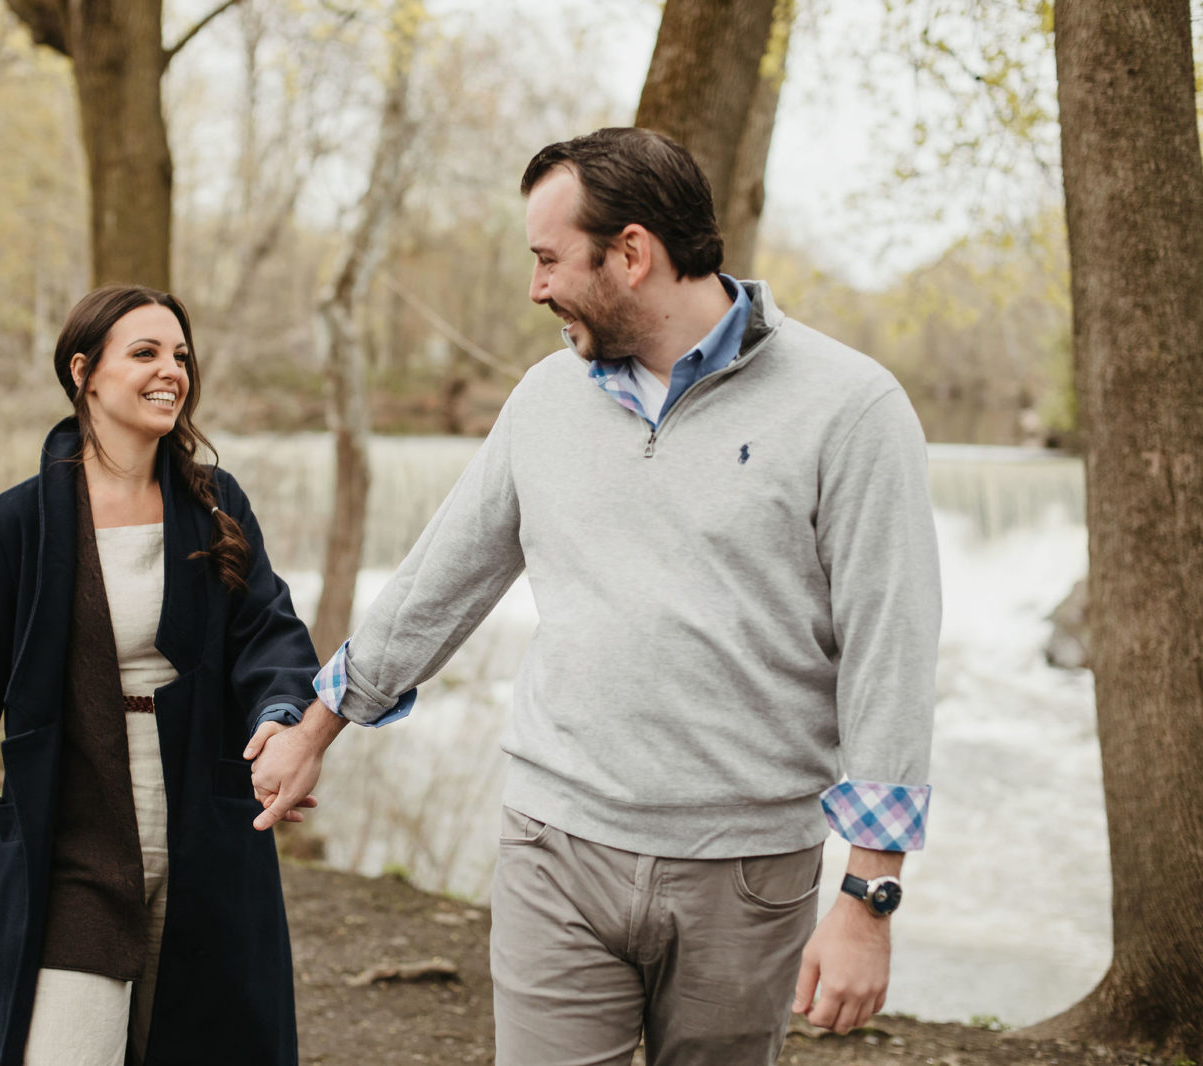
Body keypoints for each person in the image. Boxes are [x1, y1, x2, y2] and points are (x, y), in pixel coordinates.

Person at [246, 127, 941, 1066]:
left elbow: (889, 649)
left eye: (547, 258)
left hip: (746, 876)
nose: (535, 287)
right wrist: (316, 727)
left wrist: (869, 897)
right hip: (555, 850)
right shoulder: (545, 400)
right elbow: (440, 582)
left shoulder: (851, 408)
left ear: (632, 252)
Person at [0, 285, 320, 1066]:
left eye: (179, 355)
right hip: (74, 838)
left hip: (208, 832)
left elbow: (269, 635)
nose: (170, 371)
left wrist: (281, 718)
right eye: (144, 352)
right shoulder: (20, 525)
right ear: (85, 372)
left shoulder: (218, 506)